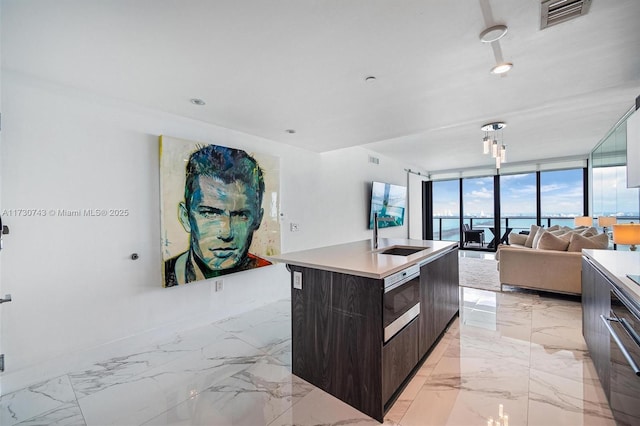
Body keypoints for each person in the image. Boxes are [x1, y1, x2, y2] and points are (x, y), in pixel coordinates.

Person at [164, 144, 271, 287]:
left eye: (240, 215)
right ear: (185, 217)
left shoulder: (265, 272)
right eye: (210, 213)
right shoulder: (166, 274)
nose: (226, 233)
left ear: (258, 219)